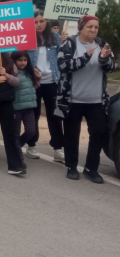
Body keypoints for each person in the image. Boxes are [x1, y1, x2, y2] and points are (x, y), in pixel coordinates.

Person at [58, 15, 116, 183]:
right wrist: (84, 58)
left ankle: (91, 168)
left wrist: (103, 59)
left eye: (96, 27)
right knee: (71, 134)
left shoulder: (102, 44)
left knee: (98, 133)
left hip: (96, 101)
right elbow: (62, 65)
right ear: (81, 27)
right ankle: (71, 166)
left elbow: (112, 67)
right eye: (89, 26)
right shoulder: (69, 44)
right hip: (72, 100)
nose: (93, 30)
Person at [25, 11, 65, 162]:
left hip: (52, 81)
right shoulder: (27, 37)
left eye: (41, 21)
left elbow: (61, 57)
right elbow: (21, 58)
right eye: (35, 22)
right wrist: (31, 70)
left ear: (46, 22)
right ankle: (31, 145)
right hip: (33, 82)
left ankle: (58, 148)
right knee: (33, 114)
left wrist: (64, 43)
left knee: (54, 115)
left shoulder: (55, 37)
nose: (39, 25)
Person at [11, 51, 39, 162]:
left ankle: (16, 147)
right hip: (16, 108)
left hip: (29, 107)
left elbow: (33, 87)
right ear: (14, 60)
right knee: (16, 133)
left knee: (31, 131)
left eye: (25, 60)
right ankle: (18, 158)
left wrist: (38, 78)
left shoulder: (30, 72)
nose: (23, 63)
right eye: (20, 60)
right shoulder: (11, 72)